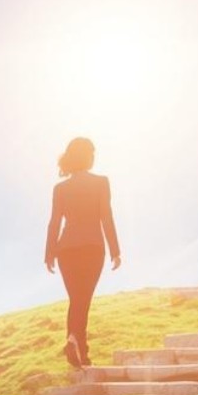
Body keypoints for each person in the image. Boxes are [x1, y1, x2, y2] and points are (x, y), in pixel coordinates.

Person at [44, 137, 120, 367]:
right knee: (82, 299)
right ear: (88, 156)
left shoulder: (60, 188)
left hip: (65, 250)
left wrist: (49, 253)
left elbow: (54, 222)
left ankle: (79, 350)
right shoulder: (101, 182)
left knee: (77, 299)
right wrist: (115, 250)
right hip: (92, 247)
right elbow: (106, 216)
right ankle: (76, 342)